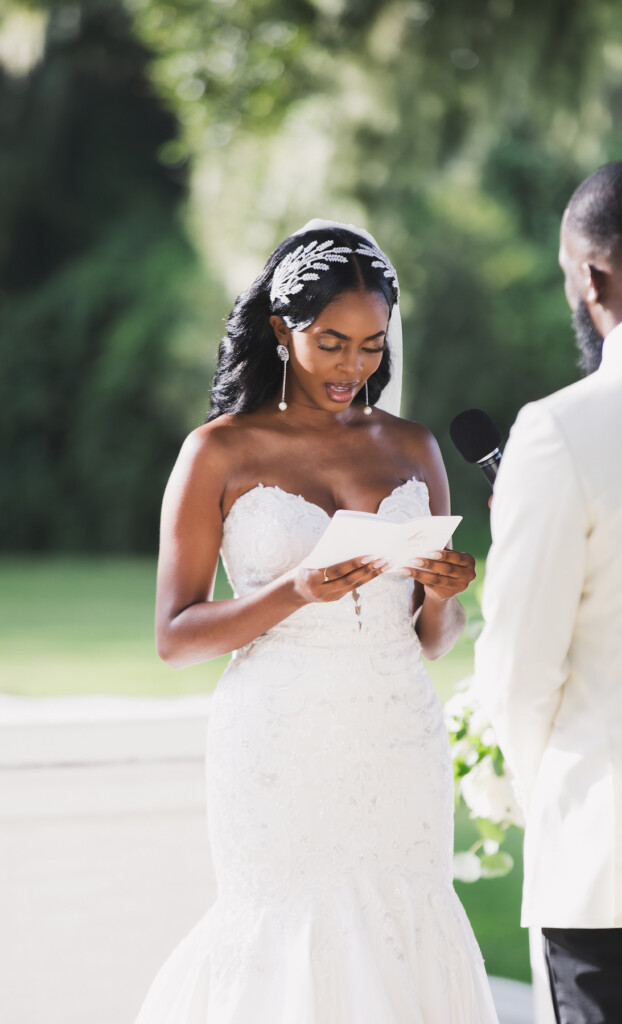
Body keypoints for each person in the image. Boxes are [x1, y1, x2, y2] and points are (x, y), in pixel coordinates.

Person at [134, 220, 500, 1024]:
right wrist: (292, 591)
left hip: (397, 732)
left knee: (403, 921)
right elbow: (174, 636)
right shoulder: (217, 452)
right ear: (279, 329)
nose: (352, 368)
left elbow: (432, 640)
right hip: (278, 739)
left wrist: (442, 591)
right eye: (331, 344)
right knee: (286, 928)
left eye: (371, 346)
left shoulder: (411, 447)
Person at [474, 160, 622, 1024]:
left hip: (619, 862)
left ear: (590, 278)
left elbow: (519, 669)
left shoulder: (559, 430)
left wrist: (540, 794)